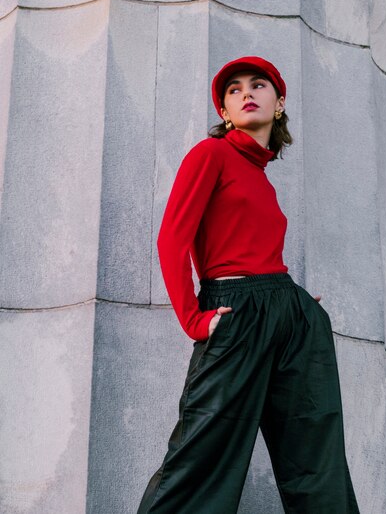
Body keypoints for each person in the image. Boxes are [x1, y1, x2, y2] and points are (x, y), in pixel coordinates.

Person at [137, 56, 359, 513]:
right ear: (224, 111)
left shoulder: (260, 176)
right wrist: (194, 321)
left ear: (279, 104)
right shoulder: (210, 154)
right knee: (200, 458)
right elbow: (171, 239)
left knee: (316, 460)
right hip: (237, 312)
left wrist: (291, 300)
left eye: (258, 85)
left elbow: (257, 251)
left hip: (288, 314)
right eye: (234, 90)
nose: (246, 93)